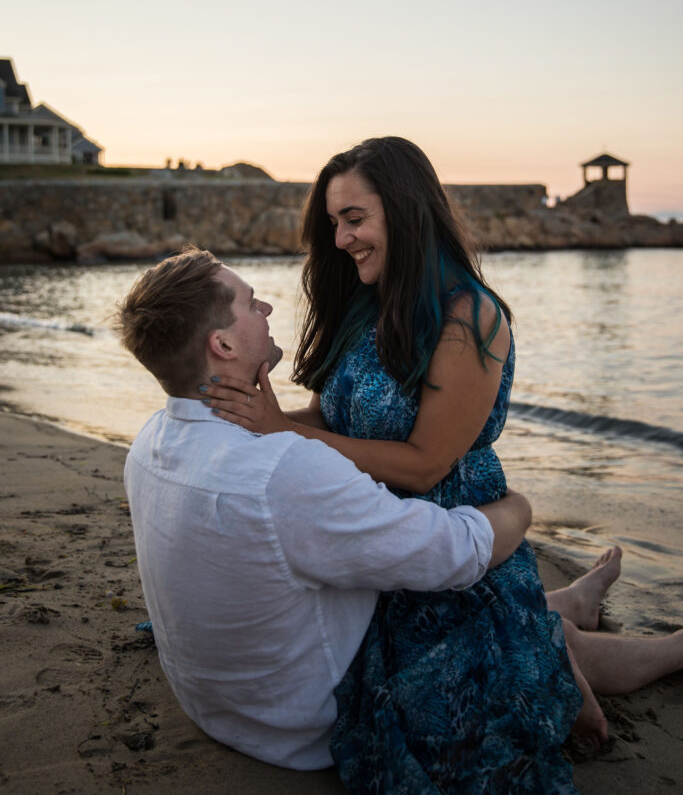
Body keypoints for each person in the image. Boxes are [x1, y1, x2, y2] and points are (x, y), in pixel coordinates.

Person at [203, 137, 683, 795]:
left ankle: (661, 645)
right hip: (374, 543)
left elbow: (426, 465)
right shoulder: (360, 307)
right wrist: (259, 416)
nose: (340, 239)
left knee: (454, 723)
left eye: (354, 219)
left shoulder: (468, 318)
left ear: (404, 212)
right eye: (333, 224)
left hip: (462, 545)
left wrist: (281, 429)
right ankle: (562, 612)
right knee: (483, 659)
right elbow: (328, 421)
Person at [115, 246, 535, 771]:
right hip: (297, 725)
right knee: (493, 623)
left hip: (213, 704)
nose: (267, 308)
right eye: (250, 304)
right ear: (221, 344)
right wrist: (519, 509)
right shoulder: (285, 473)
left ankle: (573, 610)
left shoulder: (151, 441)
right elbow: (454, 552)